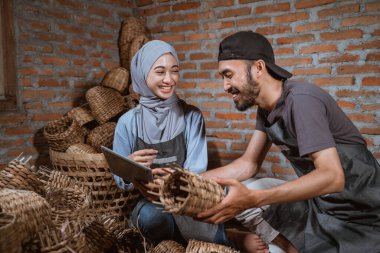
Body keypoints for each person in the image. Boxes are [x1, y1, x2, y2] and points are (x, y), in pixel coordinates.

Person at [197, 31, 380, 253]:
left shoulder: (301, 101)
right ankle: (291, 247)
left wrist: (253, 199)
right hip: (321, 205)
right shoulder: (266, 110)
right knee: (247, 192)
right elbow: (248, 164)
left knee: (251, 196)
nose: (225, 86)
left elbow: (333, 177)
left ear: (258, 68)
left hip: (363, 213)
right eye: (222, 78)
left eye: (228, 75)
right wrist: (189, 179)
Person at [112, 40, 270, 252]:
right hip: (152, 204)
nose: (169, 79)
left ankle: (230, 238)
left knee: (192, 210)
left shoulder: (191, 116)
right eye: (160, 72)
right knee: (152, 219)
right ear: (142, 74)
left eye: (174, 71)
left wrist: (175, 186)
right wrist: (128, 167)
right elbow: (120, 178)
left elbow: (197, 170)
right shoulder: (128, 122)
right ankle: (221, 235)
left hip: (186, 195)